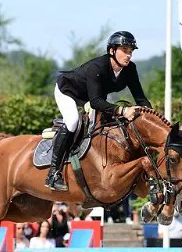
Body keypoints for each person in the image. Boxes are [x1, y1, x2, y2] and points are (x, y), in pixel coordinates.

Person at [46, 31, 151, 191]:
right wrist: (122, 110)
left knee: (107, 126)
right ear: (112, 51)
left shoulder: (130, 69)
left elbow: (140, 98)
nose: (128, 55)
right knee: (73, 121)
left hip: (92, 97)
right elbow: (95, 102)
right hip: (68, 91)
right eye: (124, 50)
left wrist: (153, 118)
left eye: (130, 51)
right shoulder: (97, 67)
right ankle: (53, 173)